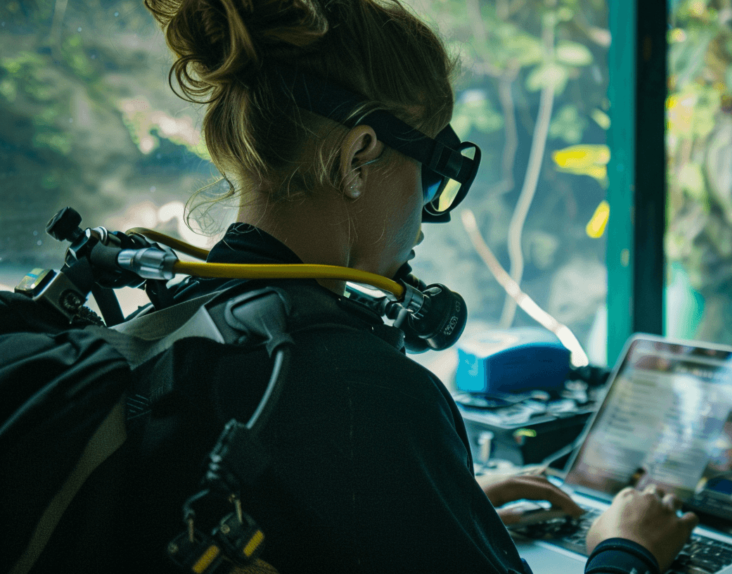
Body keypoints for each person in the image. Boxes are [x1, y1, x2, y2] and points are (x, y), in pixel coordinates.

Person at [116, 0, 699, 572]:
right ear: (357, 157)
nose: (424, 218)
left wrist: (439, 499)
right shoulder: (362, 389)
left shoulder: (176, 320)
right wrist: (628, 549)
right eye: (433, 172)